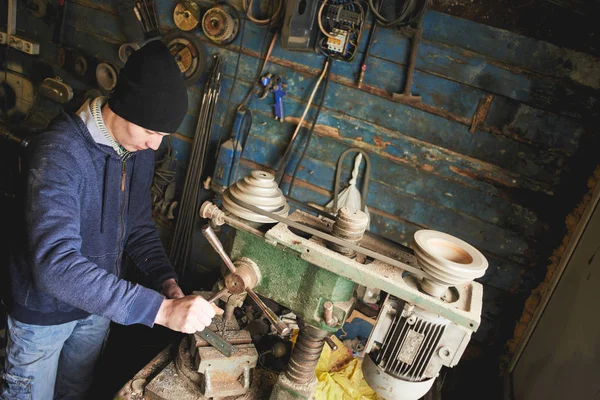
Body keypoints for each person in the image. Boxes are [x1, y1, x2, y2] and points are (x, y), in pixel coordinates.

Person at [1, 40, 220, 399]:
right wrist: (160, 311)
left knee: (76, 391)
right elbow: (55, 265)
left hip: (97, 307)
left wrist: (166, 281)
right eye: (150, 132)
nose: (155, 145)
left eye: (163, 136)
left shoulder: (136, 152)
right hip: (42, 315)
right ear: (123, 108)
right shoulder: (59, 152)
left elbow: (136, 226)